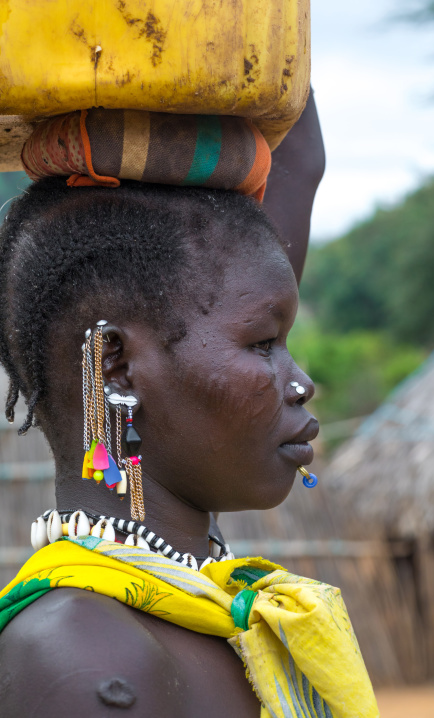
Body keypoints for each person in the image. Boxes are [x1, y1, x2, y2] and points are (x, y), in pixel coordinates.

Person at [0, 98, 378, 717]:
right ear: (116, 365)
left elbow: (298, 161)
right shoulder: (83, 658)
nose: (302, 383)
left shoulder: (198, 606)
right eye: (262, 345)